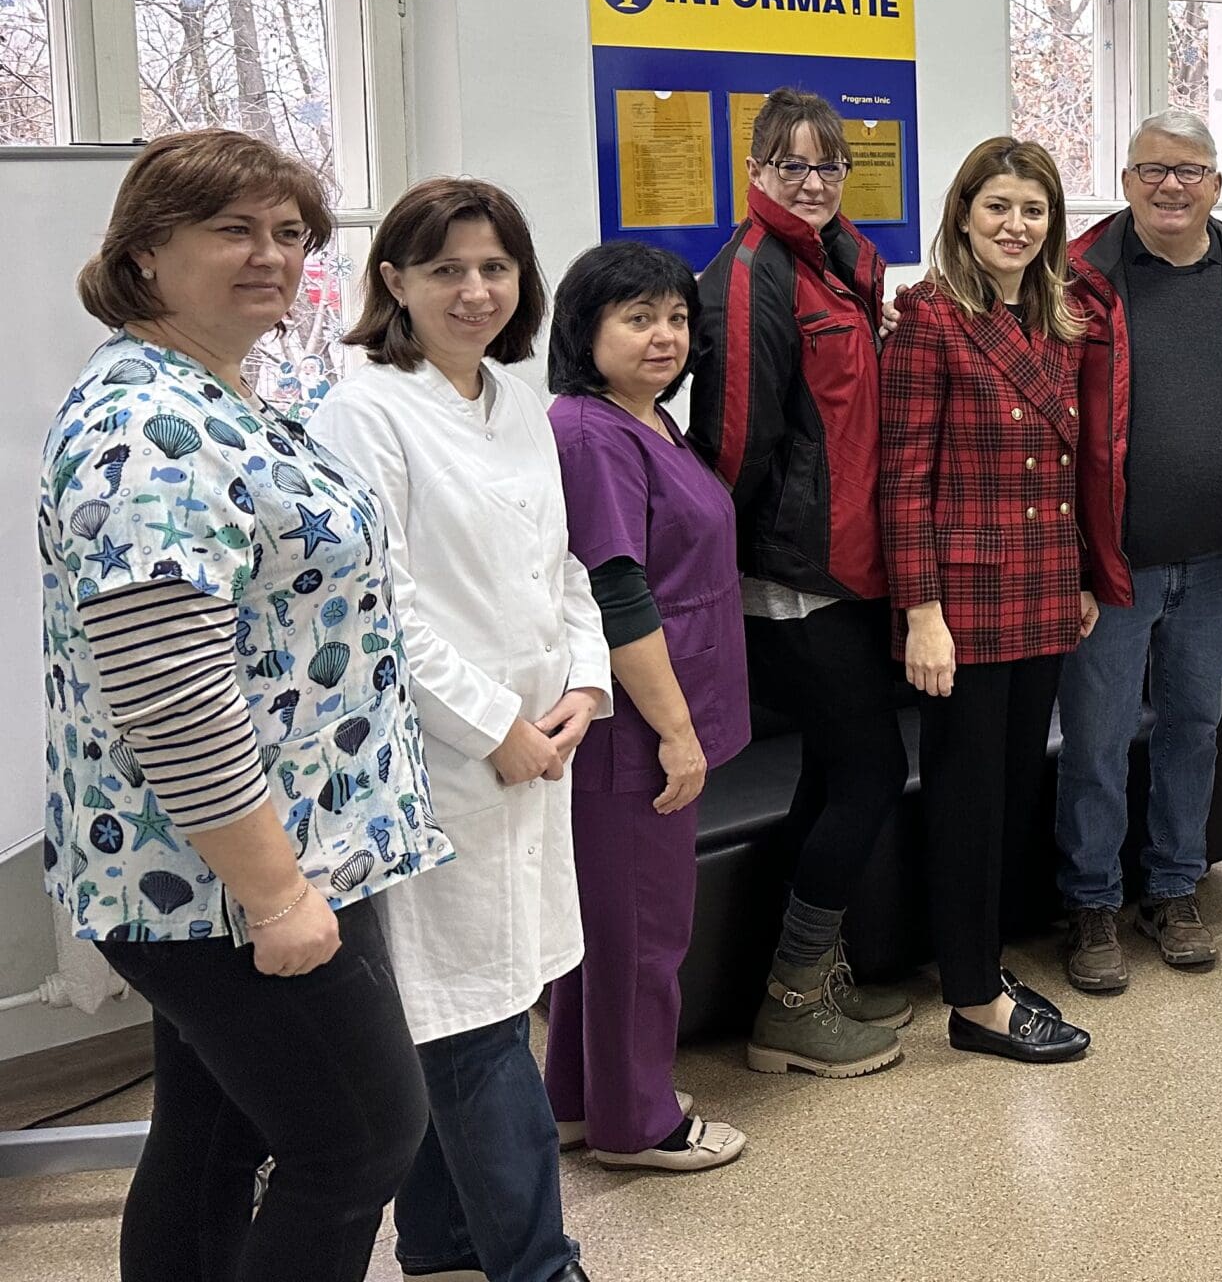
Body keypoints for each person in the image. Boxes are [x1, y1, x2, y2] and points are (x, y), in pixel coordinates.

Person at [39, 129, 450, 1282]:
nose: (271, 255)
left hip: (261, 853)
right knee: (358, 1141)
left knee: (215, 1136)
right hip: (228, 874)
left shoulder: (213, 391)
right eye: (233, 230)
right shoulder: (145, 429)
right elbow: (169, 691)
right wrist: (275, 897)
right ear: (144, 252)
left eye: (288, 233)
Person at [311, 179, 608, 1282]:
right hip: (440, 760)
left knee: (492, 1002)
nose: (475, 290)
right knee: (472, 1023)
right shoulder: (364, 412)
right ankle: (540, 1264)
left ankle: (438, 1241)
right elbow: (375, 608)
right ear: (394, 281)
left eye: (495, 268)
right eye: (446, 270)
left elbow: (561, 566)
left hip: (541, 745)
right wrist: (494, 727)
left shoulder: (516, 399)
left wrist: (585, 686)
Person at [689, 88, 909, 1079]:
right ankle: (790, 1003)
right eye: (791, 166)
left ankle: (812, 975)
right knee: (869, 773)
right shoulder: (749, 277)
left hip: (854, 564)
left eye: (828, 165)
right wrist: (719, 581)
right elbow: (734, 442)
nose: (812, 183)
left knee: (833, 770)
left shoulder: (845, 264)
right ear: (754, 171)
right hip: (790, 577)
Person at [1054, 110, 1222, 995]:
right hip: (1112, 562)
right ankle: (1091, 900)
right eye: (1153, 169)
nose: (1171, 185)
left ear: (1217, 184)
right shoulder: (1076, 278)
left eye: (1189, 170)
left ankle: (1173, 887)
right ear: (1125, 180)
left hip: (1215, 559)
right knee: (1098, 738)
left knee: (1196, 729)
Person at [881, 138, 1100, 1063]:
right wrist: (921, 615)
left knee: (1011, 795)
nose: (1016, 226)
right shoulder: (929, 318)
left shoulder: (1058, 317)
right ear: (964, 215)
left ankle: (988, 968)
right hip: (962, 605)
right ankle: (972, 1000)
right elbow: (903, 483)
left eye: (1033, 210)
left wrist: (1079, 574)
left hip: (1042, 587)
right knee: (966, 803)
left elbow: (1067, 466)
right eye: (998, 207)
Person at [544, 244, 753, 1168]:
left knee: (613, 925)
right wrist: (674, 733)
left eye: (675, 317)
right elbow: (615, 591)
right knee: (644, 932)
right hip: (635, 725)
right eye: (637, 318)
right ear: (585, 331)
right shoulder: (592, 435)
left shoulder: (651, 419)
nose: (664, 335)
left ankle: (579, 1099)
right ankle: (638, 1123)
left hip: (666, 704)